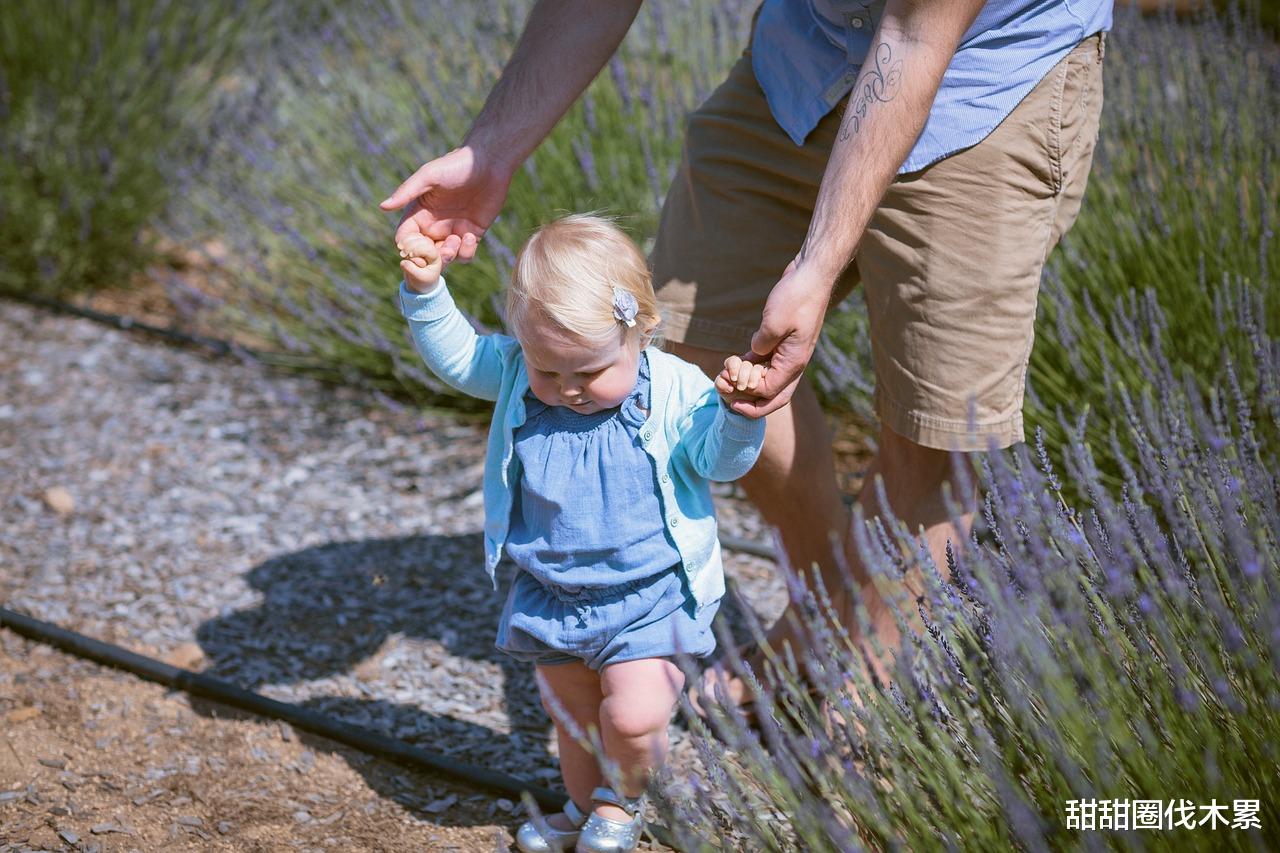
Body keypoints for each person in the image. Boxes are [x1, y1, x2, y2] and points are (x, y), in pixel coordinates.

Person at [381, 0, 1111, 721]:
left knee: (934, 427)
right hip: (808, 59)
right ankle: (825, 610)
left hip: (984, 85)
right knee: (703, 342)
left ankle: (862, 708)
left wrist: (817, 266)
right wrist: (492, 150)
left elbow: (917, 36)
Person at [395, 214, 766, 852]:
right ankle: (581, 806)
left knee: (634, 713)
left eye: (589, 373)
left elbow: (719, 463)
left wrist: (739, 418)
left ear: (642, 331)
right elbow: (458, 359)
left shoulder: (674, 391)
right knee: (573, 722)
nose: (569, 390)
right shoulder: (517, 375)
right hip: (551, 592)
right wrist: (427, 293)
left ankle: (621, 804)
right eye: (549, 371)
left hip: (650, 595)